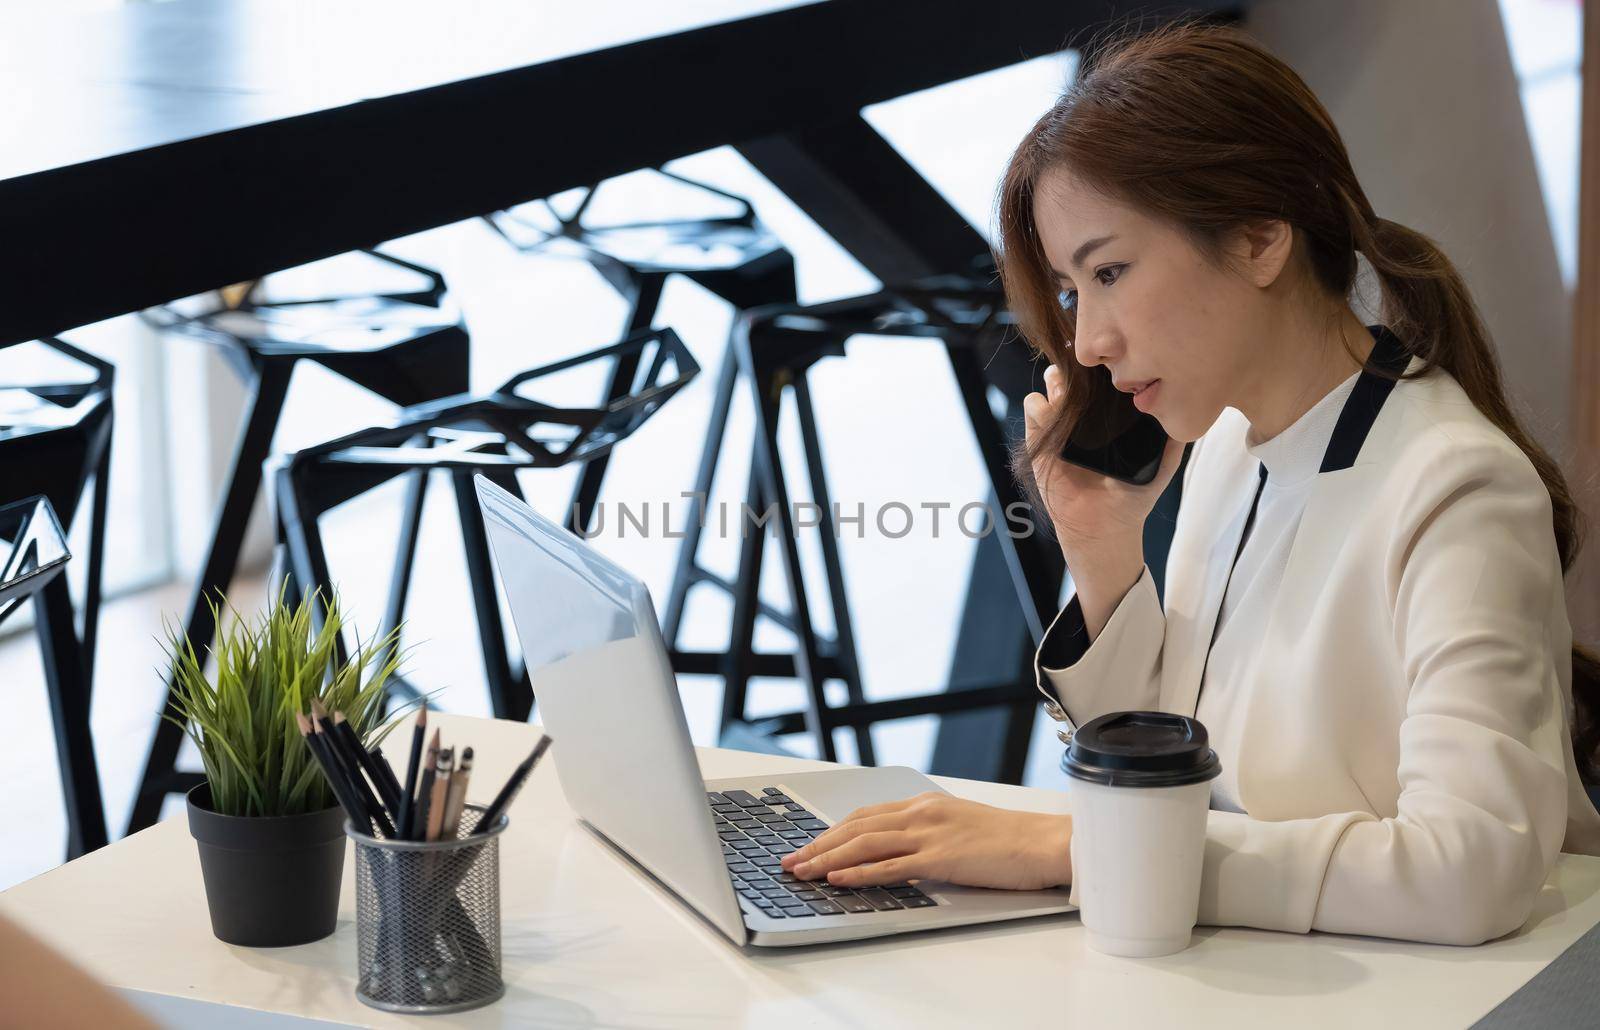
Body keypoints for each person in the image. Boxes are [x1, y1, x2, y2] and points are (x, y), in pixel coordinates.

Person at [779, 19, 1600, 946]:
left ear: (1259, 239)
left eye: (1112, 272)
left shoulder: (1457, 489)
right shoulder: (1227, 446)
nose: (1088, 341)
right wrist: (1105, 566)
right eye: (1071, 291)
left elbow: (1467, 873)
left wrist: (1077, 849)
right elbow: (1182, 766)